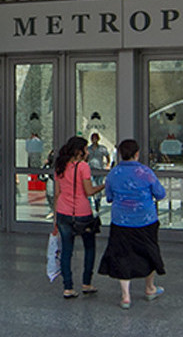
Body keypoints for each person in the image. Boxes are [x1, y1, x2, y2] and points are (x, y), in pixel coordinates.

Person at [98, 139, 167, 310]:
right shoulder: (145, 172)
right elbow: (160, 193)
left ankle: (125, 296)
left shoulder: (113, 173)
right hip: (145, 220)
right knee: (149, 251)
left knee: (122, 255)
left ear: (120, 154)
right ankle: (150, 288)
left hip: (121, 221)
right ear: (137, 153)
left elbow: (109, 197)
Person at [51, 136, 104, 298]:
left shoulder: (60, 167)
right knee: (89, 247)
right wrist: (103, 185)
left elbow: (57, 194)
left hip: (63, 212)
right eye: (86, 149)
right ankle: (86, 283)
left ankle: (68, 287)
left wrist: (55, 219)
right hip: (82, 213)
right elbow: (88, 191)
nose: (87, 152)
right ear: (79, 151)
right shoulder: (83, 167)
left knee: (67, 250)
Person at [86, 132, 111, 211]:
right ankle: (94, 199)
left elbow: (107, 157)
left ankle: (98, 200)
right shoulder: (88, 149)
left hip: (99, 169)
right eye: (93, 139)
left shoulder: (102, 148)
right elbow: (86, 158)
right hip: (91, 169)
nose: (94, 140)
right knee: (93, 185)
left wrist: (107, 165)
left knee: (99, 184)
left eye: (95, 138)